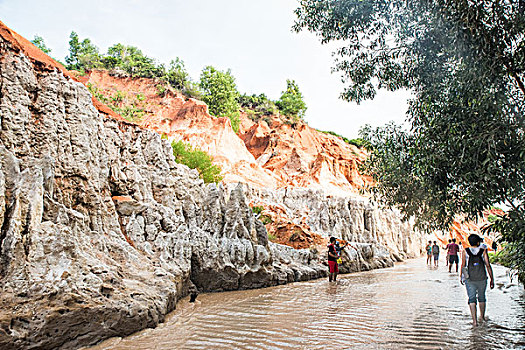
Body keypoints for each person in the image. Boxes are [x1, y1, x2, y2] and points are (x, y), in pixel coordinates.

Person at [460, 234, 495, 326]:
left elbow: (463, 265)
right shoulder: (483, 251)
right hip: (482, 277)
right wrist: (492, 278)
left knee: (471, 299)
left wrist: (461, 277)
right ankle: (482, 318)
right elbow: (487, 265)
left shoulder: (465, 251)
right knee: (482, 297)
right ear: (478, 242)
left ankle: (474, 322)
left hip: (470, 278)